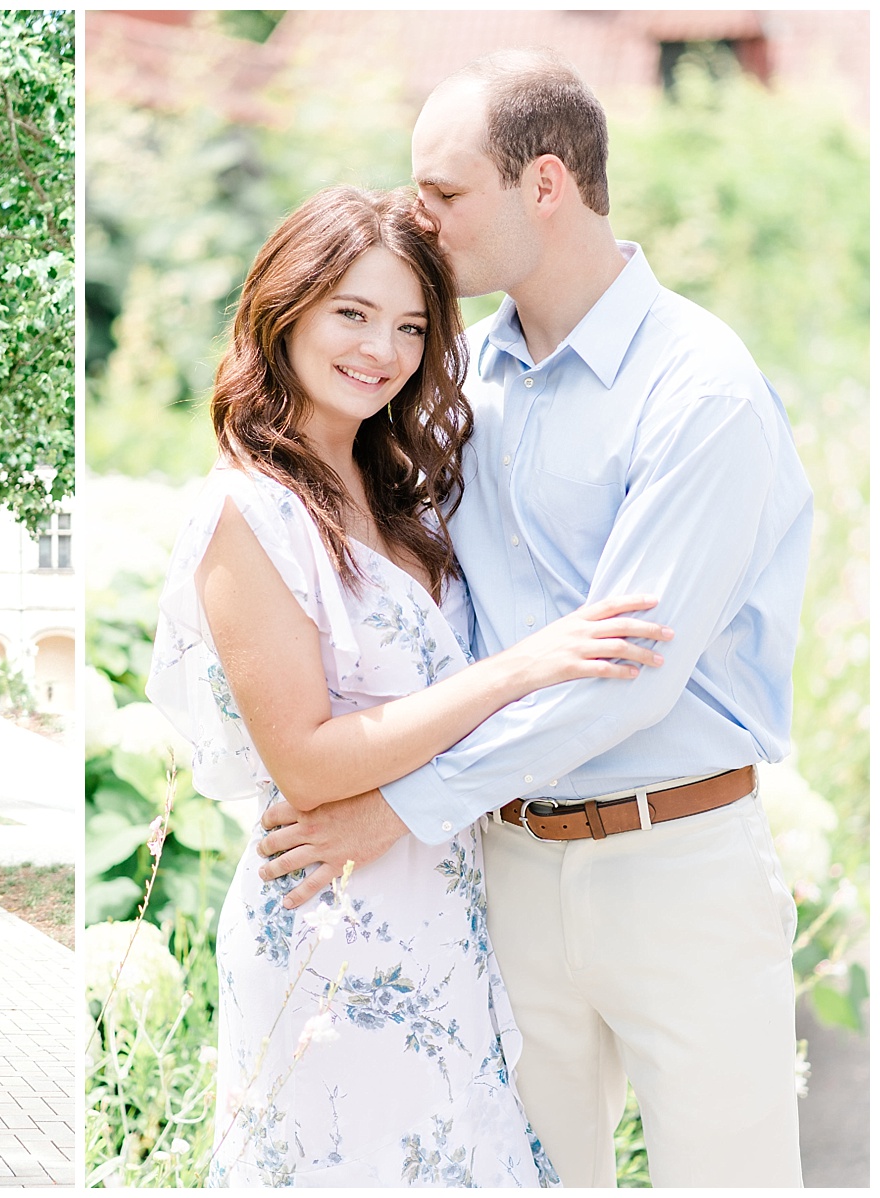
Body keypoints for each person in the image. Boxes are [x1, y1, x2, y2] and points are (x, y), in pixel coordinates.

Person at [255, 51, 812, 1188]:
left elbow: (628, 677)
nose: (420, 217)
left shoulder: (697, 388)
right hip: (499, 863)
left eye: (444, 193)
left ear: (544, 185)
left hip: (676, 862)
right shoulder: (455, 385)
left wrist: (393, 808)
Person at [147, 185, 674, 1186]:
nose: (379, 349)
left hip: (445, 906)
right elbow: (302, 760)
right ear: (285, 307)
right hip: (330, 926)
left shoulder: (403, 493)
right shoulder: (245, 513)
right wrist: (521, 666)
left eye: (408, 325)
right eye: (350, 312)